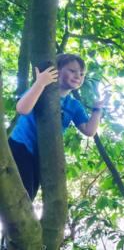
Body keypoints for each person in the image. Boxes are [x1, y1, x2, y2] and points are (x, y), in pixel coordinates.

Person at [8, 53, 109, 201]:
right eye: (72, 70)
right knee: (18, 196)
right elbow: (22, 108)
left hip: (41, 157)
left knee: (27, 199)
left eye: (81, 74)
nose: (78, 76)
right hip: (20, 146)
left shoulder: (73, 105)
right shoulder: (41, 91)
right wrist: (40, 83)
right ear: (57, 70)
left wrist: (97, 109)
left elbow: (89, 130)